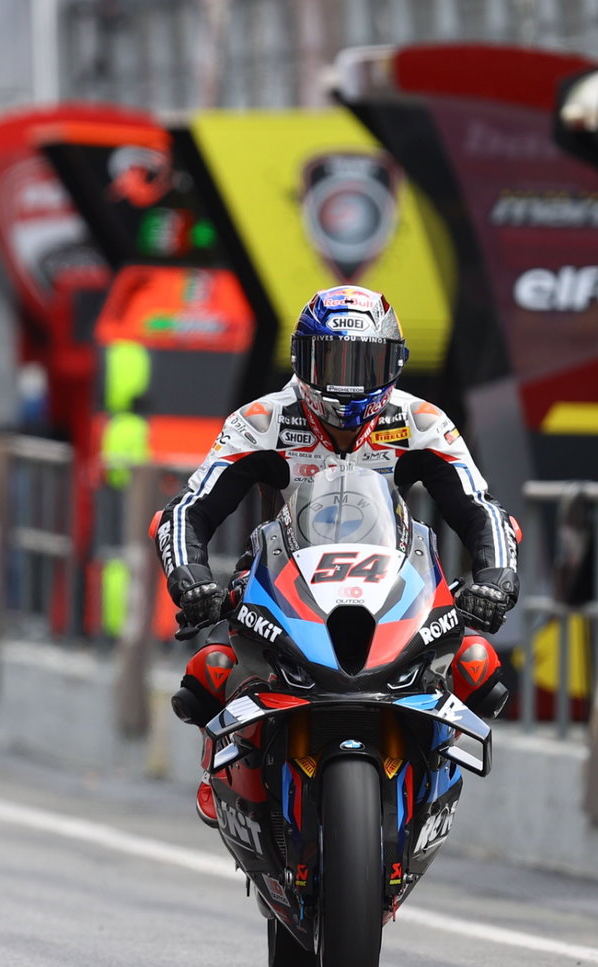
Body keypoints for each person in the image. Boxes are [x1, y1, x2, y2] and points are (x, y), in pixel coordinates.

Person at [153, 285, 519, 826]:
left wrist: (495, 579)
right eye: (331, 359)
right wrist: (190, 577)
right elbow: (187, 511)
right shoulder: (261, 420)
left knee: (477, 668)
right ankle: (227, 780)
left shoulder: (422, 422)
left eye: (364, 361)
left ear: (393, 364)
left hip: (393, 584)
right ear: (302, 361)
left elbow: (482, 511)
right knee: (210, 673)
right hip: (285, 583)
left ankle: (432, 778)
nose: (347, 380)